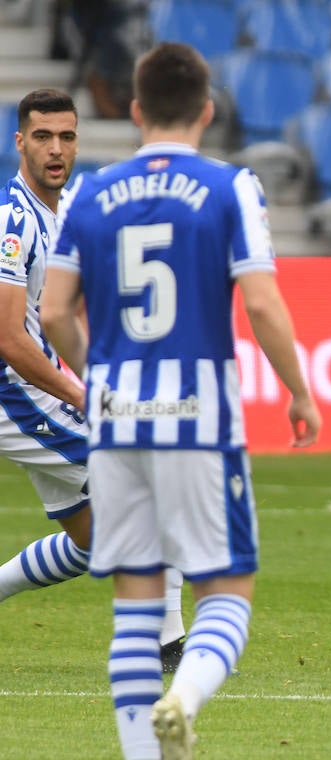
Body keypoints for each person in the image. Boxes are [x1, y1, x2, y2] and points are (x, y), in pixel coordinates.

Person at [41, 43, 321, 760]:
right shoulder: (231, 186)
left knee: (136, 608)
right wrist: (299, 391)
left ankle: (143, 751)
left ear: (133, 111)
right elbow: (261, 303)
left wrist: (97, 376)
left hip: (114, 421)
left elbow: (53, 313)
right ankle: (185, 696)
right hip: (198, 422)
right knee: (227, 594)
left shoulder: (93, 193)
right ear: (207, 110)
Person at [0, 88, 186, 670]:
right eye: (42, 137)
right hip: (15, 395)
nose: (56, 150)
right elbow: (8, 339)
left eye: (67, 137)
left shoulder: (63, 212)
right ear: (19, 143)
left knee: (90, 544)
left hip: (40, 389)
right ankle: (171, 642)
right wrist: (84, 394)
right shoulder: (13, 222)